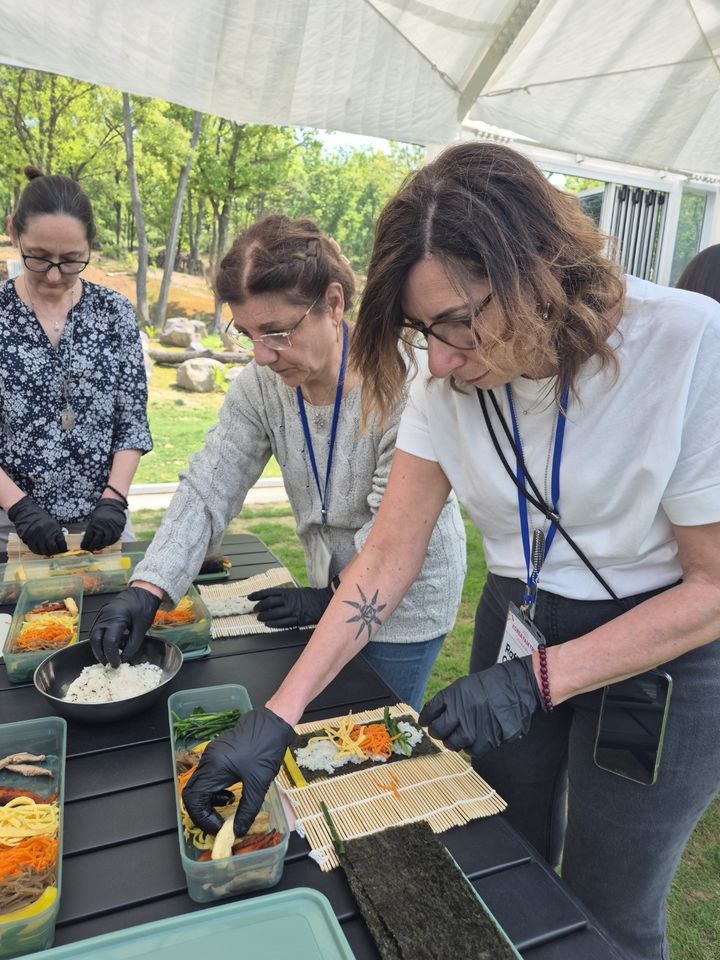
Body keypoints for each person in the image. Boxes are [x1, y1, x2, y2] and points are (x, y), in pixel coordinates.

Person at [177, 144, 720, 960]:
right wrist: (278, 718)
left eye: (463, 319)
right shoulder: (442, 372)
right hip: (522, 619)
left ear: (545, 267)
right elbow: (388, 558)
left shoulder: (687, 342)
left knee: (612, 905)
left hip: (661, 652)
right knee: (502, 856)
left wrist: (545, 678)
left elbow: (713, 586)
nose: (446, 358)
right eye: (424, 329)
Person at [88, 215, 466, 710]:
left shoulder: (405, 382)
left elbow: (391, 534)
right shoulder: (260, 386)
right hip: (330, 589)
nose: (262, 355)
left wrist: (329, 596)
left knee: (375, 737)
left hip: (406, 605)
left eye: (276, 332)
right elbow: (210, 482)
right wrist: (149, 585)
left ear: (333, 304)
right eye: (247, 334)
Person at [0, 166, 152, 561]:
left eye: (71, 260)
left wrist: (115, 498)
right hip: (11, 525)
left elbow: (131, 418)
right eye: (38, 257)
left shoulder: (114, 312)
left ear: (89, 247)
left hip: (103, 519)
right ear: (14, 231)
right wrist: (19, 508)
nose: (53, 275)